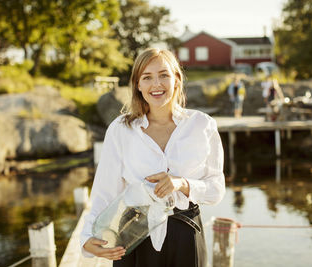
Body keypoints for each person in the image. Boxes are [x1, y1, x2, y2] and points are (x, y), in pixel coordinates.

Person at [81, 48, 225, 267]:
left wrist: (182, 184)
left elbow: (216, 190)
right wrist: (86, 238)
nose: (156, 84)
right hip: (131, 237)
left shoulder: (202, 125)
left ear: (177, 80)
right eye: (147, 77)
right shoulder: (121, 130)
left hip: (186, 235)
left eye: (164, 75)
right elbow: (104, 192)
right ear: (138, 85)